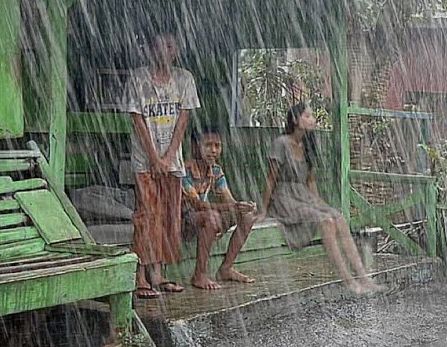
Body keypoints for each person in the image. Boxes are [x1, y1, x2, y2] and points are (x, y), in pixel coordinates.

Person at [261, 102, 382, 296]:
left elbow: (311, 182)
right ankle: (348, 281)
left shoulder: (308, 145)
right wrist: (262, 210)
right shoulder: (281, 143)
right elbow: (271, 179)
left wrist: (320, 205)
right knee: (325, 221)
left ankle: (364, 277)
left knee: (338, 218)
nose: (312, 120)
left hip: (304, 197)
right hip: (284, 198)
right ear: (295, 119)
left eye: (312, 116)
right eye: (308, 116)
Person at [124, 31, 199, 299]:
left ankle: (159, 274)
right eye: (157, 47)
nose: (163, 51)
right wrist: (155, 158)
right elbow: (137, 119)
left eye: (169, 46)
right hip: (146, 160)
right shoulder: (138, 78)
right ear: (150, 51)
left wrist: (168, 158)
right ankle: (140, 275)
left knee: (168, 215)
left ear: (175, 51)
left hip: (172, 160)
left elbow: (183, 119)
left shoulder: (184, 78)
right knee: (147, 214)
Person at [183, 130, 258, 290]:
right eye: (208, 145)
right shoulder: (185, 170)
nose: (214, 150)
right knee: (211, 217)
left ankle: (226, 269)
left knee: (248, 217)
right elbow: (198, 205)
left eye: (217, 146)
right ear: (195, 147)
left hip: (201, 219)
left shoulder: (216, 170)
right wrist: (231, 207)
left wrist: (243, 207)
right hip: (181, 223)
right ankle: (199, 275)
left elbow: (229, 200)